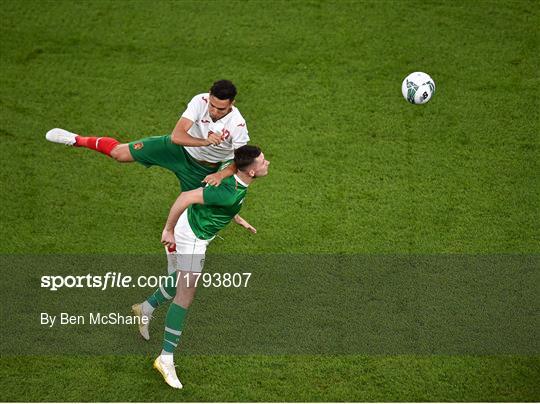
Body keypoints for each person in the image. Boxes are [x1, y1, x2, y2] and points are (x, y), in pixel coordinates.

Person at [135, 145, 269, 389]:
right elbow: (186, 197)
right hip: (193, 238)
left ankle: (144, 308)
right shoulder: (227, 192)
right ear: (249, 172)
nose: (267, 163)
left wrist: (237, 218)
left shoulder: (231, 171)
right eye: (262, 162)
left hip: (192, 224)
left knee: (178, 279)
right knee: (185, 295)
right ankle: (165, 358)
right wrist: (168, 230)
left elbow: (224, 200)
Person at [45, 79, 249, 189]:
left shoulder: (238, 125)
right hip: (176, 149)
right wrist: (205, 141)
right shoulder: (200, 101)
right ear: (209, 97)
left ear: (232, 103)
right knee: (119, 154)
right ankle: (76, 140)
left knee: (191, 215)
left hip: (201, 170)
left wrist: (219, 175)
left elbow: (240, 161)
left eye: (220, 109)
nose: (213, 111)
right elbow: (177, 136)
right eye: (212, 105)